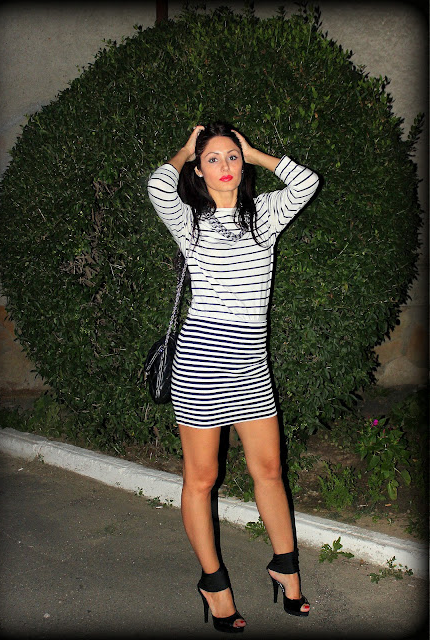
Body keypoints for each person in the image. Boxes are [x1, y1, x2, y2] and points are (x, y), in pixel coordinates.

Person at [147, 121, 319, 633]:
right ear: (199, 171)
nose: (224, 166)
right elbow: (158, 184)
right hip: (200, 366)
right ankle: (213, 582)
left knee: (269, 470)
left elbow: (306, 182)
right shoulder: (190, 222)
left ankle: (285, 566)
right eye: (213, 159)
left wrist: (256, 152)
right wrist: (185, 148)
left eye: (232, 157)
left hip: (251, 367)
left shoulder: (264, 214)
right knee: (202, 478)